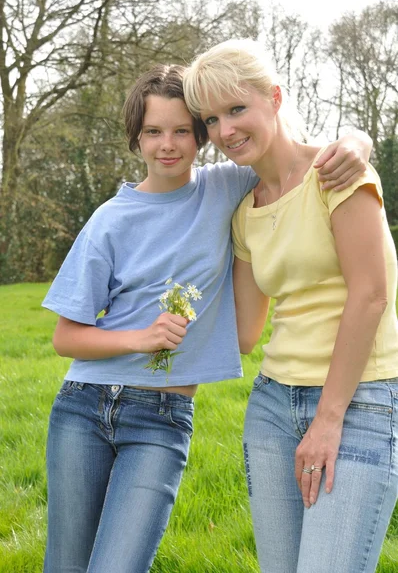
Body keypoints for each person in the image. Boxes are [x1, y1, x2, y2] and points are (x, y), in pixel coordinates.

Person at [41, 62, 372, 573]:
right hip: (83, 408)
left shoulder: (226, 186)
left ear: (201, 137)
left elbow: (295, 152)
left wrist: (357, 138)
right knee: (64, 564)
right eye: (153, 131)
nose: (166, 145)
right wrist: (140, 337)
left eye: (181, 131)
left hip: (162, 420)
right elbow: (66, 337)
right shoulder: (109, 220)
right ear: (137, 137)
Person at [183, 39, 398, 573]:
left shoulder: (339, 174)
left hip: (361, 404)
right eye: (211, 119)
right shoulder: (245, 213)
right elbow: (245, 334)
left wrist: (328, 419)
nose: (225, 130)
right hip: (273, 408)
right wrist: (150, 323)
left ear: (274, 98)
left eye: (237, 109)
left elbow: (371, 295)